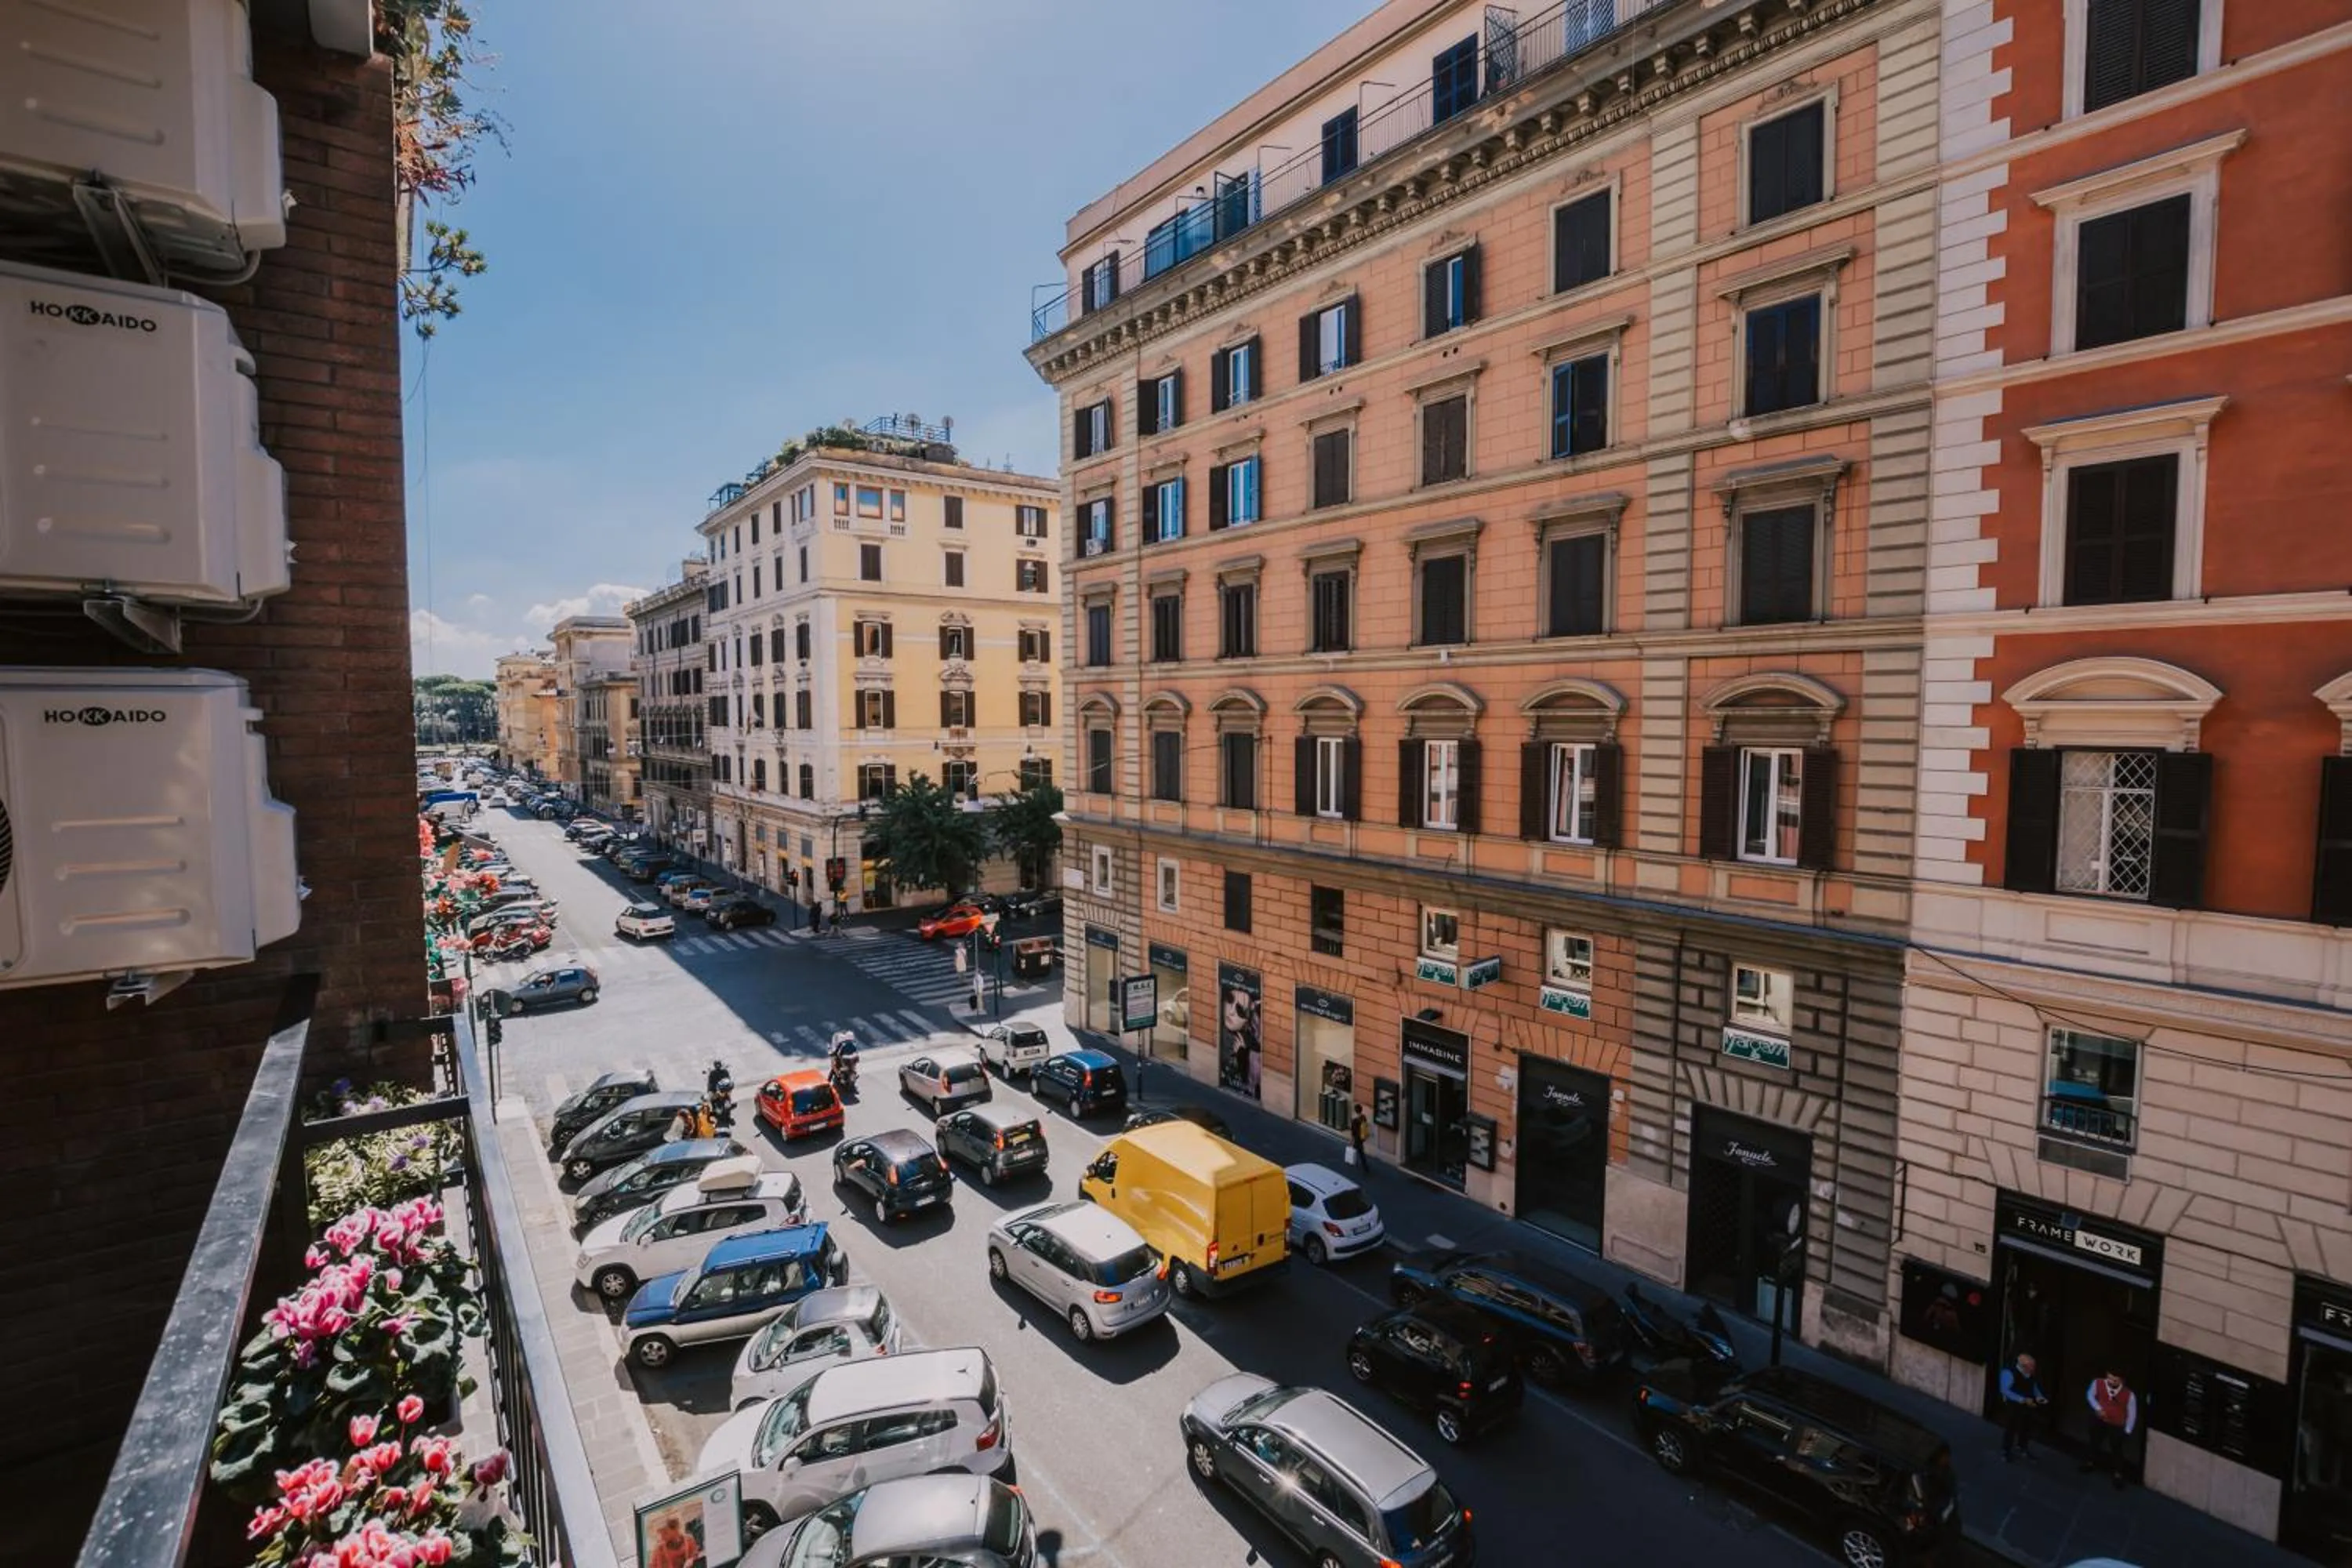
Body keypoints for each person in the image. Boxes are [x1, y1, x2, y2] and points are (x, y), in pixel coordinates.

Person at [2082, 1369, 2138, 1488]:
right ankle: (2090, 1463)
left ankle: (2118, 1475)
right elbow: (2090, 1395)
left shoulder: (2130, 1395)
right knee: (2094, 1442)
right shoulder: (2098, 1383)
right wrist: (2098, 1408)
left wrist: (2127, 1431)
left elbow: (2132, 1414)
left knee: (2117, 1449)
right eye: (2110, 1378)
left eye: (2115, 1380)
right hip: (2100, 1421)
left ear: (2122, 1380)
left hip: (2117, 1425)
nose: (2111, 1382)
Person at [2000, 1352, 2049, 1461]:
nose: (2034, 1369)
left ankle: (2022, 1447)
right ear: (2023, 1366)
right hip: (2014, 1404)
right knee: (2011, 1427)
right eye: (2031, 1366)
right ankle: (2006, 1450)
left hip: (2028, 1403)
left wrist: (2039, 1397)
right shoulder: (2009, 1372)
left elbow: (2033, 1386)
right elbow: (2005, 1390)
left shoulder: (2030, 1373)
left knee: (2026, 1426)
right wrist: (2022, 1399)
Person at [1348, 1104, 1372, 1171]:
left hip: (1357, 1138)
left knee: (1359, 1151)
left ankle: (1364, 1166)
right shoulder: (1363, 1117)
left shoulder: (1354, 1120)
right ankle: (1361, 1164)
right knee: (1359, 1150)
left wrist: (1351, 1140)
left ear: (1355, 1111)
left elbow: (1353, 1131)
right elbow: (1365, 1125)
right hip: (1362, 1137)